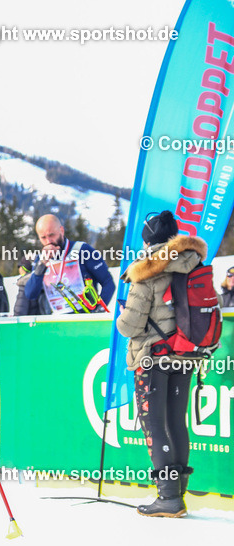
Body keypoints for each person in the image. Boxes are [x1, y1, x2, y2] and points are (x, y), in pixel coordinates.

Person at [116, 211, 208, 517]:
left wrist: (119, 316)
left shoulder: (146, 271)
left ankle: (168, 498)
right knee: (175, 422)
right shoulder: (193, 263)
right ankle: (178, 492)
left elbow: (130, 326)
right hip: (184, 354)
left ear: (148, 240)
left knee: (153, 425)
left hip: (153, 358)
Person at [24, 214, 115, 314]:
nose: (48, 241)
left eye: (51, 235)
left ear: (61, 231)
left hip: (85, 320)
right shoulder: (40, 259)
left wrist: (99, 309)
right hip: (56, 323)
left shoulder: (82, 250)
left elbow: (108, 282)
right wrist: (41, 266)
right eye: (43, 237)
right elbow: (30, 294)